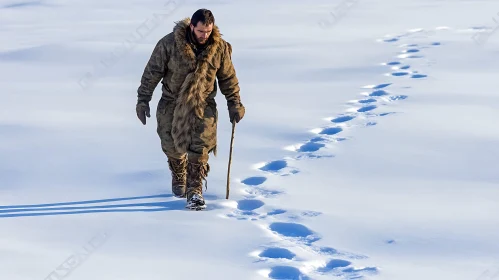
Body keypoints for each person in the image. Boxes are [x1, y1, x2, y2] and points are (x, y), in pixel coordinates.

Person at [135, 9, 245, 210]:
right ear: (192, 26)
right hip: (172, 103)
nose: (205, 36)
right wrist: (143, 100)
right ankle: (179, 172)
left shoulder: (219, 48)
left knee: (200, 146)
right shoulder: (169, 44)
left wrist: (234, 103)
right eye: (201, 31)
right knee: (171, 144)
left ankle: (195, 190)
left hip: (203, 104)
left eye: (208, 31)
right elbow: (152, 73)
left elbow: (228, 78)